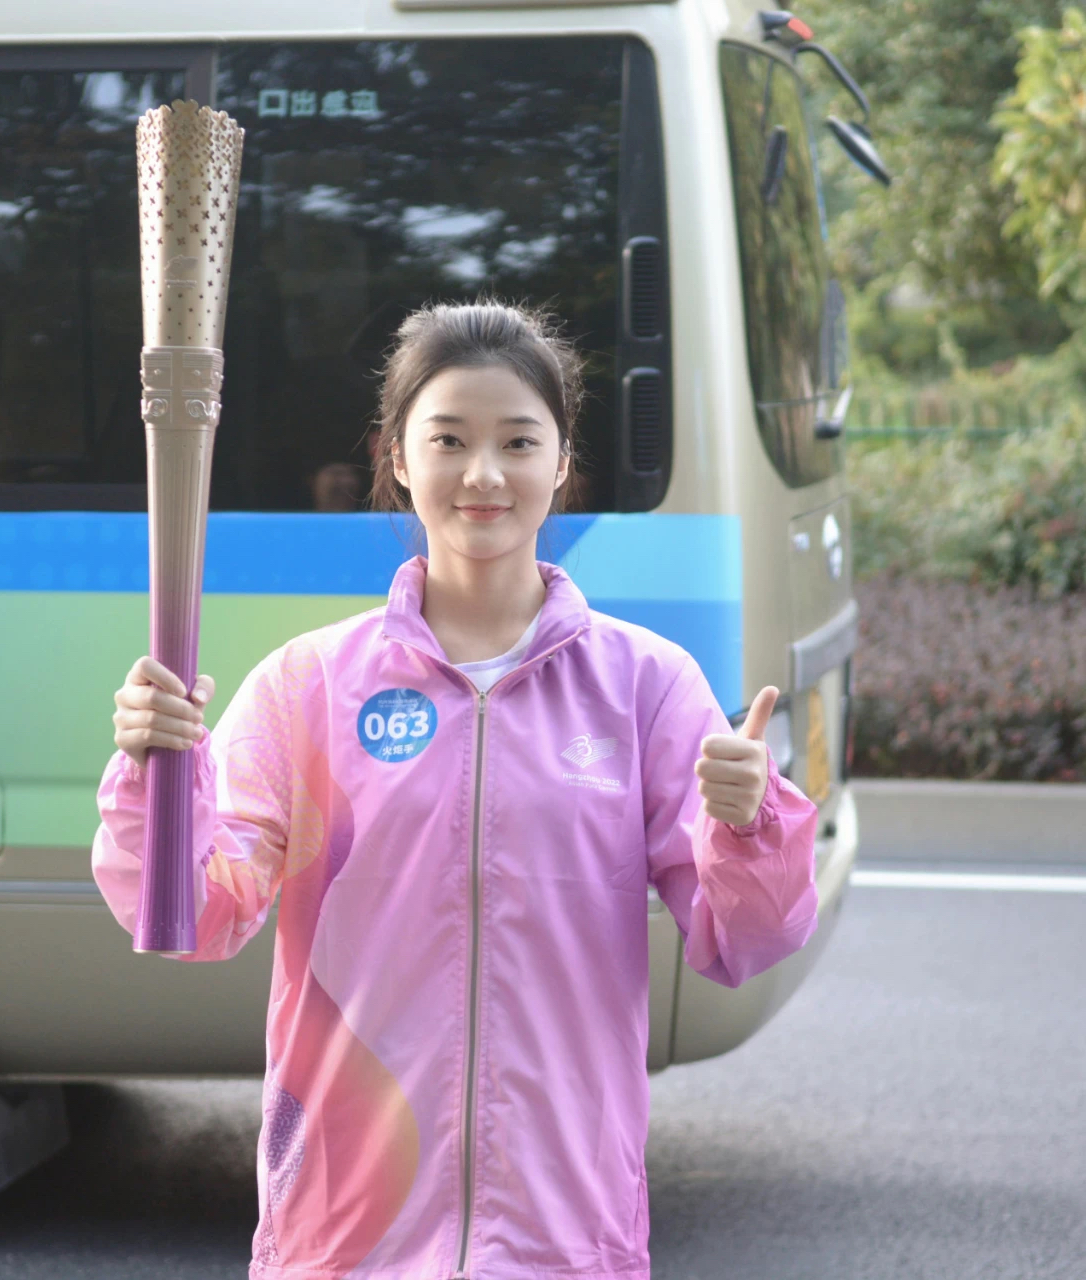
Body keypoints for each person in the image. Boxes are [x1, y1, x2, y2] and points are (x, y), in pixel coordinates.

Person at [91, 299, 819, 1280]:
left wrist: (747, 825)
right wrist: (158, 772)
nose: (483, 474)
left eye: (518, 441)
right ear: (396, 456)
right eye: (449, 439)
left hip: (562, 1227)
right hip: (348, 1228)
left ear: (561, 462)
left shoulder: (644, 686)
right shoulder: (309, 685)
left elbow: (744, 942)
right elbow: (194, 915)